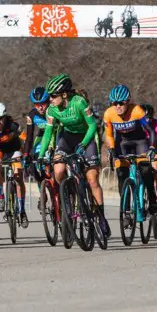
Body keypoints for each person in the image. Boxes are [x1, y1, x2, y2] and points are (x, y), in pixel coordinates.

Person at [37, 73, 110, 237]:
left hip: (87, 137)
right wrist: (41, 155)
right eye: (49, 96)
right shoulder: (52, 109)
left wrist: (84, 145)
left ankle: (101, 217)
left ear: (64, 94)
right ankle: (67, 196)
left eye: (53, 96)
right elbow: (48, 133)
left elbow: (92, 126)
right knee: (58, 171)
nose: (50, 99)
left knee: (92, 179)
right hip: (67, 138)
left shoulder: (79, 102)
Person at [103, 85, 157, 219]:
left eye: (121, 103)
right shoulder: (109, 114)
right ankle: (126, 211)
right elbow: (109, 135)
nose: (118, 106)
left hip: (140, 142)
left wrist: (151, 148)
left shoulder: (137, 111)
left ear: (128, 102)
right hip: (122, 143)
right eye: (114, 103)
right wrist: (110, 149)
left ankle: (153, 201)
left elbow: (150, 131)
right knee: (121, 174)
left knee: (145, 171)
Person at [0, 102, 28, 228]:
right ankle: (1, 198)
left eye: (1, 118)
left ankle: (22, 211)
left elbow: (26, 139)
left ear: (5, 117)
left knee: (18, 176)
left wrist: (26, 154)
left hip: (13, 148)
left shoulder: (13, 125)